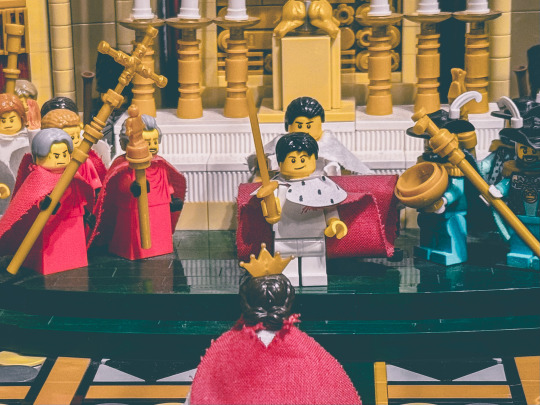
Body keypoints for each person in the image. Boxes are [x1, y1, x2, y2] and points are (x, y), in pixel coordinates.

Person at [189, 245, 362, 405]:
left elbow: (196, 397)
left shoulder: (221, 352)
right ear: (289, 300)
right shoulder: (313, 355)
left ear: (244, 301)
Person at [89, 114, 186, 260]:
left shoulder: (159, 163)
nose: (152, 146)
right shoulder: (124, 164)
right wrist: (132, 187)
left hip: (160, 203)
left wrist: (171, 198)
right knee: (135, 230)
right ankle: (133, 250)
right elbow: (121, 183)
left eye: (155, 141)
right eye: (147, 142)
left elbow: (166, 182)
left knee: (159, 228)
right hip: (134, 206)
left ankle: (161, 246)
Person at [256, 132, 348, 286]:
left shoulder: (322, 185)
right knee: (287, 271)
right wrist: (270, 210)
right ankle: (287, 283)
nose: (298, 163)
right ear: (280, 162)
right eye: (292, 159)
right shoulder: (276, 186)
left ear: (314, 158)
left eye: (304, 158)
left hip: (315, 235)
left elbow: (329, 207)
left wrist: (334, 222)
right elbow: (271, 212)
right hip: (284, 236)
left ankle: (315, 284)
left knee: (315, 272)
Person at [0, 128, 94, 274]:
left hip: (73, 216)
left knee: (73, 243)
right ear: (38, 157)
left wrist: (86, 212)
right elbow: (31, 198)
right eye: (56, 155)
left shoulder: (72, 174)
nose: (61, 159)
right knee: (49, 245)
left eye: (65, 154)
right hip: (49, 220)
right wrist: (43, 204)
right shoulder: (39, 177)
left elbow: (79, 193)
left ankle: (74, 260)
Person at [248, 96, 372, 179]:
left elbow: (347, 166)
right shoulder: (282, 142)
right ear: (288, 126)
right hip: (287, 183)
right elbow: (263, 163)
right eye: (299, 125)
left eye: (309, 125)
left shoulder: (328, 143)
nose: (305, 131)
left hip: (322, 184)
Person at [0, 93, 30, 214]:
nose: (8, 124)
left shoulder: (27, 139)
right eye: (3, 120)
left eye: (12, 119)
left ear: (21, 118)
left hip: (25, 189)